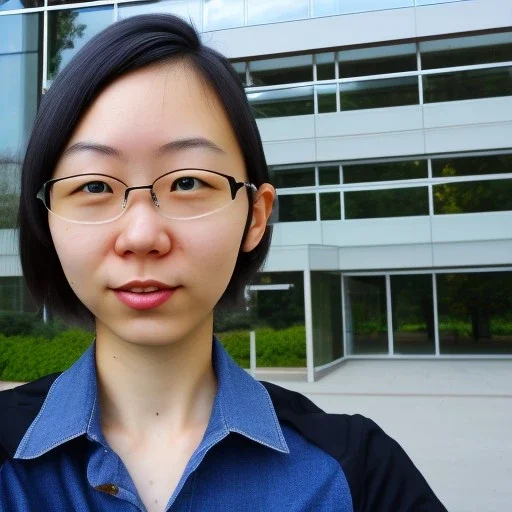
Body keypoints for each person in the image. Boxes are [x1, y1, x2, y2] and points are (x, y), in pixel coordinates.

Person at [0, 14, 447, 512]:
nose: (143, 236)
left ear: (255, 216)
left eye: (188, 182)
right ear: (46, 221)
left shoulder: (359, 474)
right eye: (95, 186)